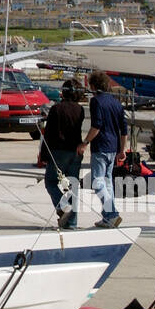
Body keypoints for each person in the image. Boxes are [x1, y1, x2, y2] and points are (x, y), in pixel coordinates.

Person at [82, 71, 126, 229]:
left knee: (97, 181)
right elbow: (124, 130)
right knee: (107, 183)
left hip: (100, 146)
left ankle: (112, 213)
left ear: (93, 86)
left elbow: (97, 126)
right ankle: (108, 218)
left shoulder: (96, 101)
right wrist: (122, 149)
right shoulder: (116, 103)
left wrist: (85, 142)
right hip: (113, 147)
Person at [41, 80, 85, 229]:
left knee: (51, 182)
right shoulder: (80, 109)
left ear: (64, 92)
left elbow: (48, 134)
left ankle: (63, 206)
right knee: (73, 186)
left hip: (58, 151)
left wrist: (44, 155)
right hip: (75, 151)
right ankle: (72, 222)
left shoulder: (56, 109)